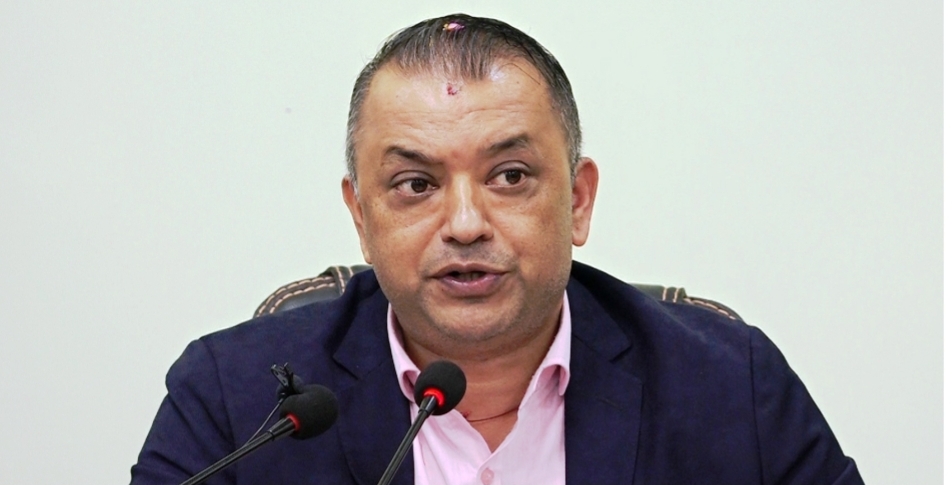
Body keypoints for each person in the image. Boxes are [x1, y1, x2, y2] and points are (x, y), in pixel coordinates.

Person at [131, 13, 864, 485]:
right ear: (361, 217)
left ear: (577, 201)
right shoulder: (236, 407)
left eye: (510, 176)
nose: (465, 223)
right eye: (416, 184)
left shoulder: (731, 389)